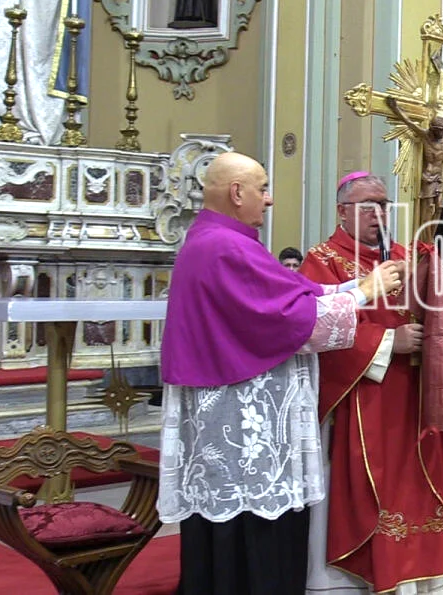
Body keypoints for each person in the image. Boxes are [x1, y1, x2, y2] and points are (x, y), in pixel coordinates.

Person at [157, 152, 401, 595]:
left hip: (231, 422)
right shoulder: (224, 246)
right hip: (243, 430)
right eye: (262, 188)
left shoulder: (219, 240)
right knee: (253, 535)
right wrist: (364, 292)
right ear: (237, 193)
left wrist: (354, 288)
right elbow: (289, 320)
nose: (268, 200)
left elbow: (296, 293)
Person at [301, 172, 443, 595]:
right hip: (363, 400)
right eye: (368, 205)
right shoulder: (321, 260)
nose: (379, 213)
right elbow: (312, 328)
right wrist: (386, 341)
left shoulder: (406, 255)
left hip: (415, 401)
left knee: (419, 493)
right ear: (342, 211)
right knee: (371, 496)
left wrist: (440, 284)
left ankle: (420, 583)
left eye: (383, 204)